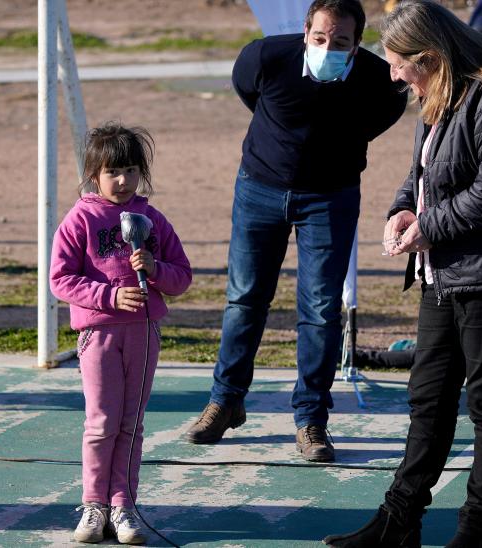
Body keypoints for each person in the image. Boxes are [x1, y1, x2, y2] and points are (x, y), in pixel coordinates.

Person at [322, 1, 482, 547]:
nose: (393, 75)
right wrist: (402, 211)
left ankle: (478, 528)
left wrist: (431, 225)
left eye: (399, 64)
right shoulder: (438, 93)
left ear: (430, 56)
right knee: (428, 396)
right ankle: (398, 521)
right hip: (444, 270)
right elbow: (424, 174)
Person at [182, 0, 407, 463]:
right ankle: (225, 401)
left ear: (357, 43)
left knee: (322, 309)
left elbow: (383, 116)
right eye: (320, 38)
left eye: (340, 42)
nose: (328, 47)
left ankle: (311, 419)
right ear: (306, 31)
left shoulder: (376, 80)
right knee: (244, 297)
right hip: (259, 189)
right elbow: (249, 92)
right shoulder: (265, 57)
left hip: (330, 198)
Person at [50, 122, 192, 544]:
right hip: (99, 336)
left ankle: (123, 505)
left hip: (144, 334)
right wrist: (109, 297)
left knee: (131, 424)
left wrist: (155, 268)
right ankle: (93, 504)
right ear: (94, 174)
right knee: (101, 423)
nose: (123, 180)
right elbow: (60, 279)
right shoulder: (81, 218)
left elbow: (182, 277)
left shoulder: (152, 219)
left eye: (131, 170)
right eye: (113, 171)